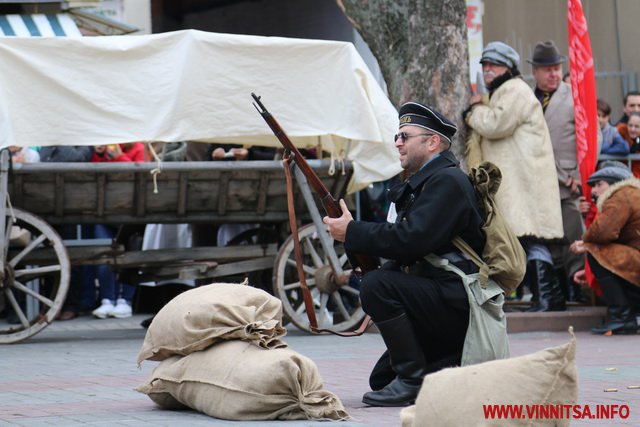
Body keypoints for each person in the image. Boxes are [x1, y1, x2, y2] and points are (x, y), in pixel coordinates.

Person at [324, 102, 486, 407]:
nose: (397, 142)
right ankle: (440, 370)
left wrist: (354, 231)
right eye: (397, 136)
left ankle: (413, 382)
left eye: (404, 136)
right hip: (439, 295)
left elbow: (411, 241)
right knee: (382, 380)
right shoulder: (427, 182)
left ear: (432, 142)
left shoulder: (447, 182)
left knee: (377, 287)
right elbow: (403, 247)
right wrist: (353, 238)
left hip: (456, 300)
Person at [465, 41, 565, 311]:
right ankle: (544, 296)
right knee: (524, 238)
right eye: (485, 65)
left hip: (523, 181)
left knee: (527, 237)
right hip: (520, 179)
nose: (487, 70)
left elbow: (496, 124)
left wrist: (473, 111)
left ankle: (548, 297)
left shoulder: (514, 90)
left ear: (508, 68)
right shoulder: (507, 90)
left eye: (494, 65)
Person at [529, 40, 585, 303]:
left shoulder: (573, 96)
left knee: (573, 237)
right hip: (537, 182)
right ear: (535, 72)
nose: (553, 74)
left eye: (556, 68)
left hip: (568, 180)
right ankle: (553, 292)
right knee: (545, 239)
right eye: (547, 69)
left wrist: (582, 176)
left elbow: (589, 138)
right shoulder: (528, 99)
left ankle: (578, 289)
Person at [570, 164, 640, 334]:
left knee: (596, 251)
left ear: (614, 183)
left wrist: (584, 243)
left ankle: (622, 317)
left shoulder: (621, 196)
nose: (594, 191)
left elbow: (603, 232)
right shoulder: (632, 194)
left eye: (599, 184)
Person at [616, 111, 640, 178]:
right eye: (630, 125)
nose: (632, 129)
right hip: (620, 175)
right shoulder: (620, 132)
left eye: (637, 126)